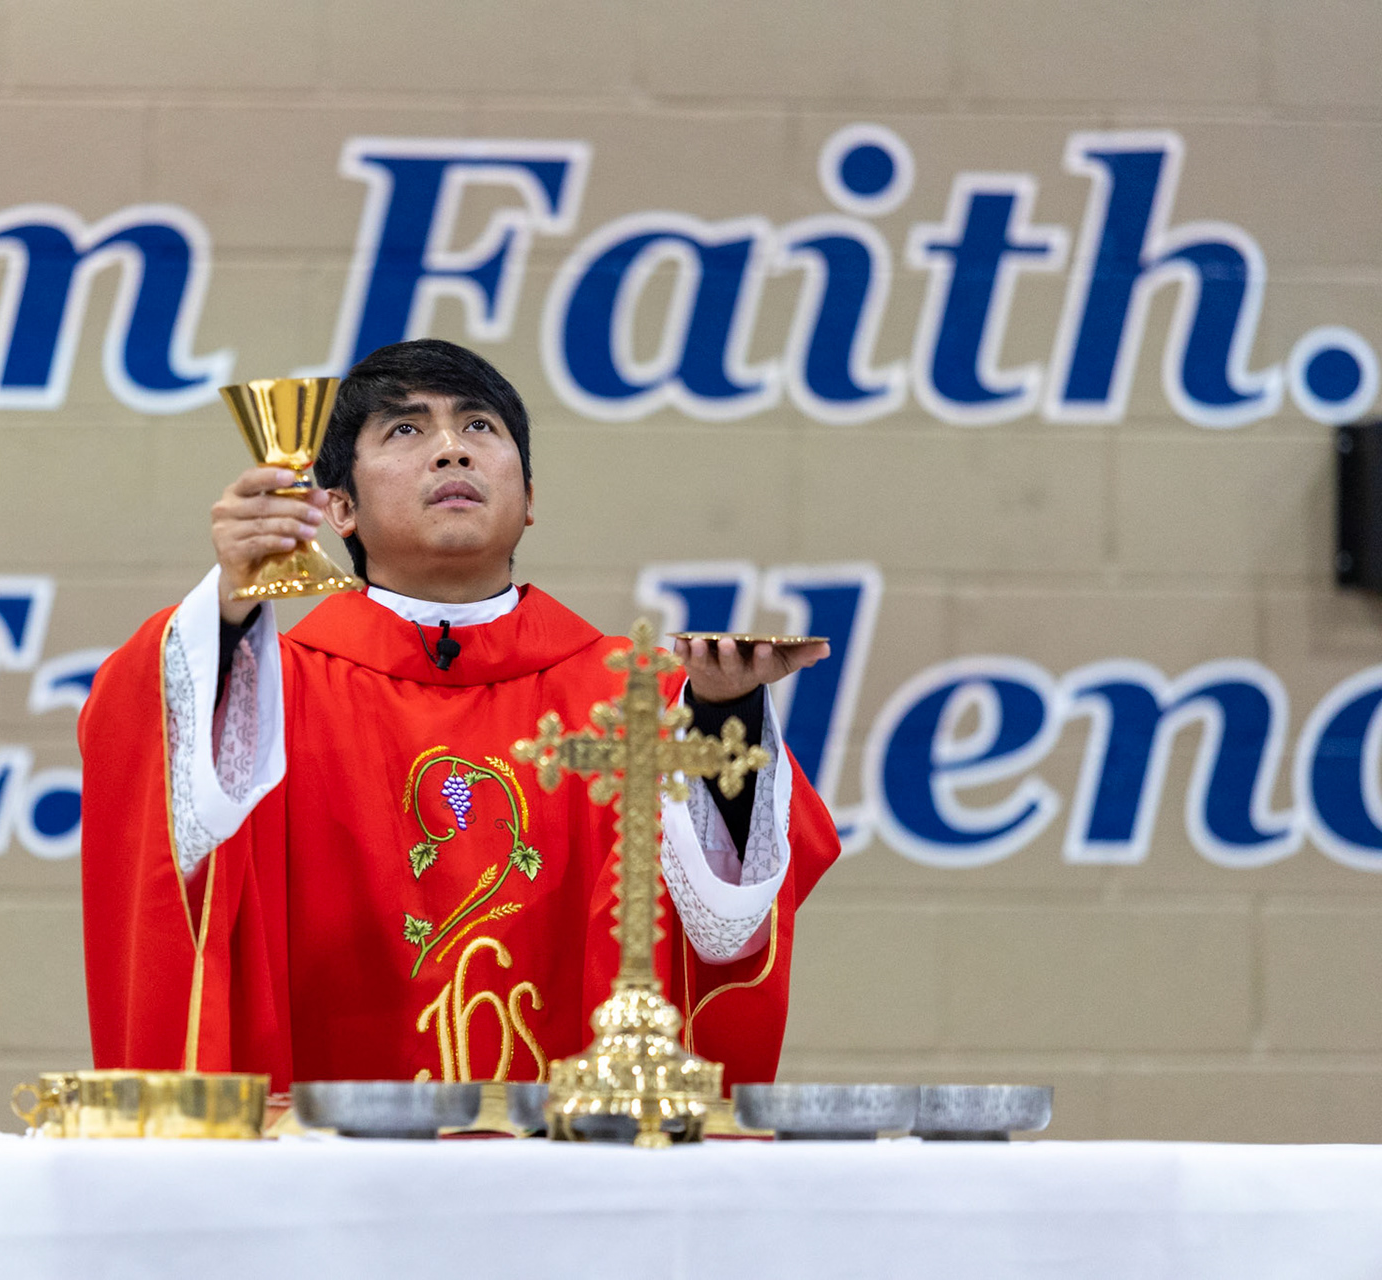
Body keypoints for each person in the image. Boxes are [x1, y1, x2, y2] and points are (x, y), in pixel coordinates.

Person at [80, 338, 839, 1089]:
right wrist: (231, 597)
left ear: (531, 497)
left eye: (479, 427)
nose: (451, 451)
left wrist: (724, 712)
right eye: (405, 430)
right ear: (338, 506)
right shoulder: (267, 689)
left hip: (574, 1164)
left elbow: (729, 921)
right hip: (328, 1170)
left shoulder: (636, 693)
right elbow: (143, 764)